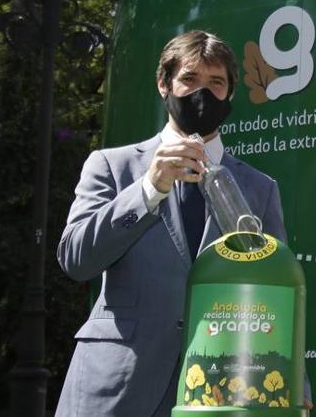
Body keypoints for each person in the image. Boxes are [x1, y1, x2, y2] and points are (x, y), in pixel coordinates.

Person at [55, 30, 303, 416]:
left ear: (230, 94)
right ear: (164, 84)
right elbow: (76, 259)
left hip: (221, 390)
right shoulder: (112, 166)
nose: (201, 93)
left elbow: (277, 289)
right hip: (119, 386)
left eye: (215, 82)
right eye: (189, 79)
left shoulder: (260, 189)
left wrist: (294, 381)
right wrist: (149, 188)